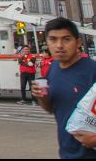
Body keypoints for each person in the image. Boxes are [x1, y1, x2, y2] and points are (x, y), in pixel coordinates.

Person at [32, 18, 96, 159]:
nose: (59, 45)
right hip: (67, 153)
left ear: (78, 42)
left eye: (66, 39)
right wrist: (42, 98)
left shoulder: (92, 71)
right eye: (53, 39)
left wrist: (94, 140)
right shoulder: (53, 69)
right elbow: (53, 109)